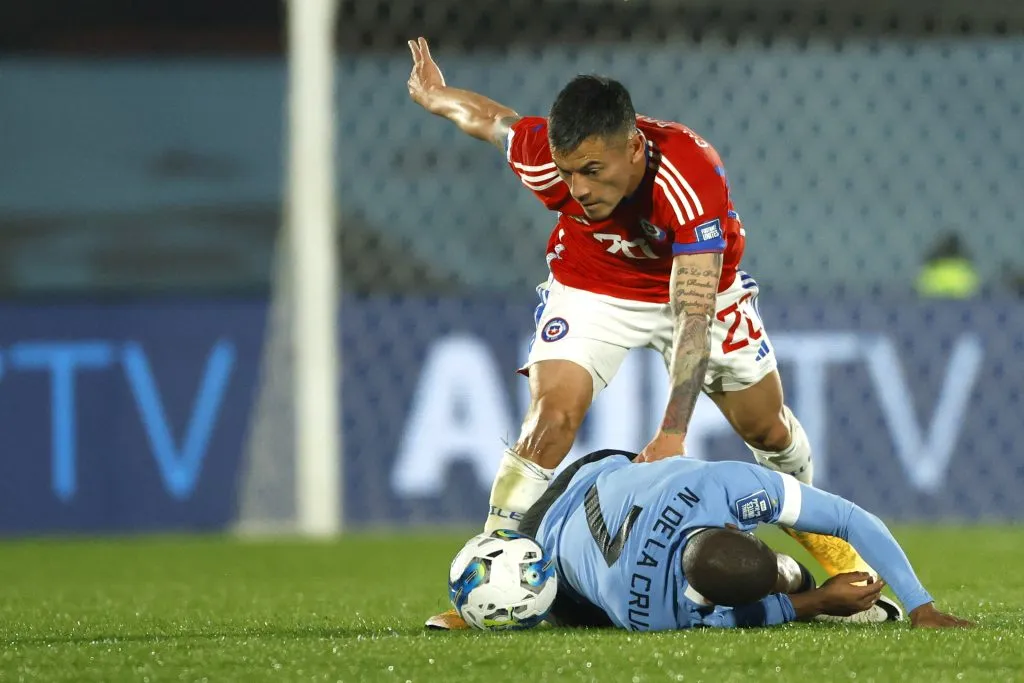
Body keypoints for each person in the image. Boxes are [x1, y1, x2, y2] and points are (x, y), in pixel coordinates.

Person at [407, 37, 872, 629]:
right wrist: (438, 96)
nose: (577, 189)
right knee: (552, 417)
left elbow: (693, 315)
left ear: (632, 149)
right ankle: (489, 582)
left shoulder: (689, 175)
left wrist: (672, 431)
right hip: (593, 285)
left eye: (592, 172)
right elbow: (494, 122)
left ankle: (843, 563)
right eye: (568, 173)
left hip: (698, 290)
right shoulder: (546, 158)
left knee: (767, 428)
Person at [515, 449, 973, 630]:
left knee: (784, 562)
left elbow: (849, 519)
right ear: (736, 528)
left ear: (733, 528)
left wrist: (921, 606)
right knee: (790, 578)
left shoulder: (728, 486)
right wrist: (816, 601)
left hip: (592, 472)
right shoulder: (651, 616)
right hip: (559, 579)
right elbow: (854, 517)